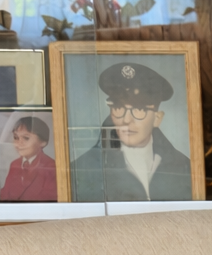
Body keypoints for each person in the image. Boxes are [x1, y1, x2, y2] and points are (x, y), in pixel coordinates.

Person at [70, 61, 193, 202]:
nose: (126, 119)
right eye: (118, 107)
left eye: (140, 109)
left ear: (157, 119)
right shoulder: (82, 169)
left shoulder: (184, 167)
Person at [0, 115, 58, 202]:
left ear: (43, 142)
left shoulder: (50, 166)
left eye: (26, 138)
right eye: (16, 137)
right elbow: (5, 194)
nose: (19, 143)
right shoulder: (14, 164)